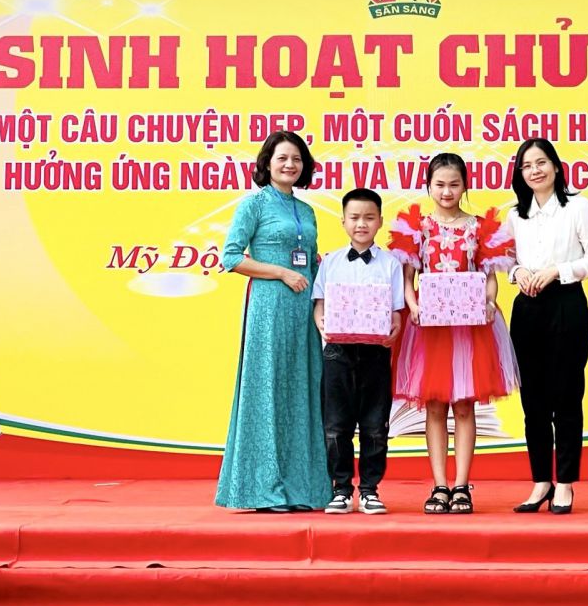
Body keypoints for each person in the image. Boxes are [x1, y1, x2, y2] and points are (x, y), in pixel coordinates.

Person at [388, 152, 518, 514]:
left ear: (465, 186)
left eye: (454, 184)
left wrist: (489, 303)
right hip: (428, 330)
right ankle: (439, 485)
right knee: (433, 407)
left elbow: (489, 278)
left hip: (469, 330)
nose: (447, 191)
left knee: (463, 406)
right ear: (428, 186)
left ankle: (462, 485)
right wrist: (413, 307)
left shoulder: (481, 228)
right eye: (440, 184)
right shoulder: (417, 227)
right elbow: (407, 279)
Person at [215, 131, 331, 513]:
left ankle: (303, 488)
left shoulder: (307, 211)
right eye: (282, 158)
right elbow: (232, 258)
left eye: (296, 159)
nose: (289, 165)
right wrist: (281, 272)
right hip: (269, 309)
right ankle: (264, 489)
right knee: (267, 390)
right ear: (267, 163)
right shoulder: (254, 204)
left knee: (303, 391)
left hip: (303, 313)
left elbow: (312, 260)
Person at [506, 137, 588, 515]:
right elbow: (507, 260)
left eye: (541, 162)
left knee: (566, 398)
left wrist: (556, 271)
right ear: (520, 173)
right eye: (527, 165)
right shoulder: (515, 215)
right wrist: (518, 272)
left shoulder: (577, 207)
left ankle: (564, 483)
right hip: (527, 309)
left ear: (556, 166)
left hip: (566, 304)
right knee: (532, 402)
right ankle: (540, 482)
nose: (535, 170)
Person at [312, 187, 407, 515]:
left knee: (375, 425)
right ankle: (340, 489)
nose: (361, 224)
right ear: (343, 222)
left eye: (369, 217)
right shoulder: (330, 262)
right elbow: (320, 303)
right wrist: (321, 322)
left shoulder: (391, 264)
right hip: (337, 352)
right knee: (335, 425)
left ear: (380, 221)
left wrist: (395, 328)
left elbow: (396, 310)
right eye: (354, 217)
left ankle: (369, 489)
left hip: (375, 353)